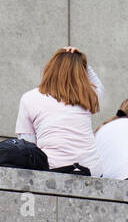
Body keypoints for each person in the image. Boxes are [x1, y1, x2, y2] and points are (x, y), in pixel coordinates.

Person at [16, 46, 103, 175]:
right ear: (82, 72)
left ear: (50, 69)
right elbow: (98, 85)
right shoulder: (87, 96)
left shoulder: (29, 98)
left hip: (53, 168)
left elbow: (27, 143)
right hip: (91, 169)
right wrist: (82, 61)